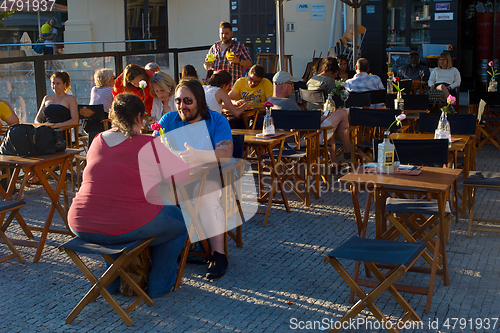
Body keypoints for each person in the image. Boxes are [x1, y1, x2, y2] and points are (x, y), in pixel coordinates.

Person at [68, 93, 190, 298]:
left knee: (114, 216)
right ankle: (160, 285)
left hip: (81, 223)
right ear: (139, 117)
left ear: (113, 117)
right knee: (179, 223)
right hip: (122, 226)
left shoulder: (98, 140)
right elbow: (181, 175)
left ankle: (112, 282)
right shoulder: (148, 143)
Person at [158, 78, 233, 280]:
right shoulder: (168, 120)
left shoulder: (217, 120)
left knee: (207, 195)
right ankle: (167, 249)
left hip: (210, 176)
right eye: (178, 101)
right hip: (175, 178)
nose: (182, 106)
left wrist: (199, 155)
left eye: (187, 101)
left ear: (199, 100)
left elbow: (226, 152)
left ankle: (218, 254)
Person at [305, 60, 351, 169]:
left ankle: (335, 162)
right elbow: (335, 99)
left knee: (330, 129)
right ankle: (348, 149)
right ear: (332, 72)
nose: (335, 77)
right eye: (335, 74)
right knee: (342, 115)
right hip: (323, 113)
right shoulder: (329, 81)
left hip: (311, 117)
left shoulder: (311, 80)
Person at [204, 21, 253, 86]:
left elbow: (250, 63)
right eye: (222, 33)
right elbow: (209, 66)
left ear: (231, 33)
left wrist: (238, 60)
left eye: (226, 33)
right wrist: (206, 65)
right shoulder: (214, 47)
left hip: (233, 86)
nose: (224, 36)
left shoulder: (239, 46)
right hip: (217, 86)